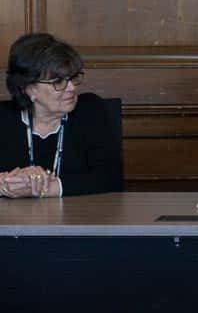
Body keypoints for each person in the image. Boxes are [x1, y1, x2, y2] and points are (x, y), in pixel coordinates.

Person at [0, 32, 122, 197]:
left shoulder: (90, 110)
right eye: (58, 82)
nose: (71, 88)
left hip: (80, 219)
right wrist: (4, 184)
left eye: (72, 78)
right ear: (28, 88)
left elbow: (111, 179)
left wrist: (43, 189)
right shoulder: (3, 118)